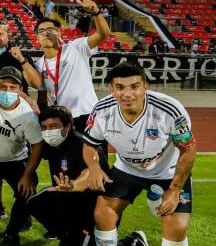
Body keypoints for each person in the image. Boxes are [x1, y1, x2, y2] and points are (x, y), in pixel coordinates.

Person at [83, 62, 196, 246]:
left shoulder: (169, 109)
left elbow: (189, 149)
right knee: (102, 214)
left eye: (134, 86)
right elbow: (89, 146)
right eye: (119, 87)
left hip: (167, 171)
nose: (127, 94)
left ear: (145, 86)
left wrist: (175, 190)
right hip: (127, 169)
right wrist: (93, 166)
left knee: (176, 228)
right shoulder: (101, 111)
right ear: (111, 89)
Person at [0, 66, 42, 245]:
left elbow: (37, 145)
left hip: (15, 161)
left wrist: (27, 175)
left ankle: (12, 235)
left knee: (26, 194)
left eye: (13, 87)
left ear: (20, 90)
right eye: (3, 86)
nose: (7, 91)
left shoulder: (27, 116)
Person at [25, 105, 109, 245]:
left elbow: (88, 173)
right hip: (69, 200)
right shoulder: (52, 145)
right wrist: (27, 175)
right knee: (36, 202)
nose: (48, 132)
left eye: (53, 126)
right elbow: (35, 150)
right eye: (44, 127)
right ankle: (69, 238)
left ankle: (133, 242)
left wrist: (73, 185)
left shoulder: (83, 145)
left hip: (95, 205)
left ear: (68, 125)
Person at [23, 0, 112, 131]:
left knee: (93, 152)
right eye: (41, 31)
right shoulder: (39, 65)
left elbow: (103, 34)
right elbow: (42, 99)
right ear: (36, 37)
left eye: (50, 29)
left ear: (59, 33)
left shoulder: (75, 47)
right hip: (61, 120)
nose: (45, 33)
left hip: (87, 114)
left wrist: (96, 13)